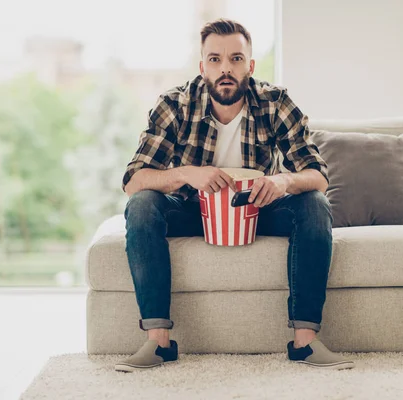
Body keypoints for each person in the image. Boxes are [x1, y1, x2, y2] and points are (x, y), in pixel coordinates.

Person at [115, 18, 355, 372]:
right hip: (193, 209)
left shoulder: (275, 102)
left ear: (250, 65)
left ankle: (305, 341)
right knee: (142, 204)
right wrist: (186, 175)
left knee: (314, 204)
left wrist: (283, 182)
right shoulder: (175, 104)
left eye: (236, 58)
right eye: (215, 59)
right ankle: (158, 343)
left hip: (257, 210)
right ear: (202, 67)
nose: (225, 68)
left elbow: (318, 176)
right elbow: (133, 180)